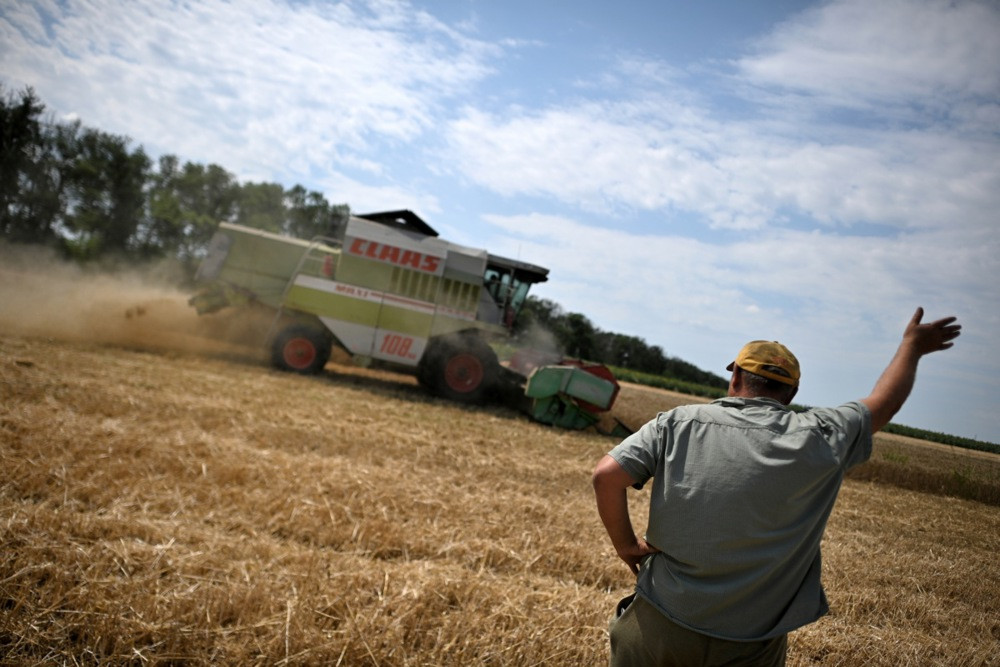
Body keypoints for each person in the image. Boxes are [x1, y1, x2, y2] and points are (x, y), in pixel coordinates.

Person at [592, 307, 961, 667]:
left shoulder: (677, 423)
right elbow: (884, 403)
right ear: (791, 393)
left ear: (735, 376)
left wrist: (627, 547)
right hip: (749, 643)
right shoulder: (821, 435)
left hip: (658, 622)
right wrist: (912, 347)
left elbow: (606, 476)